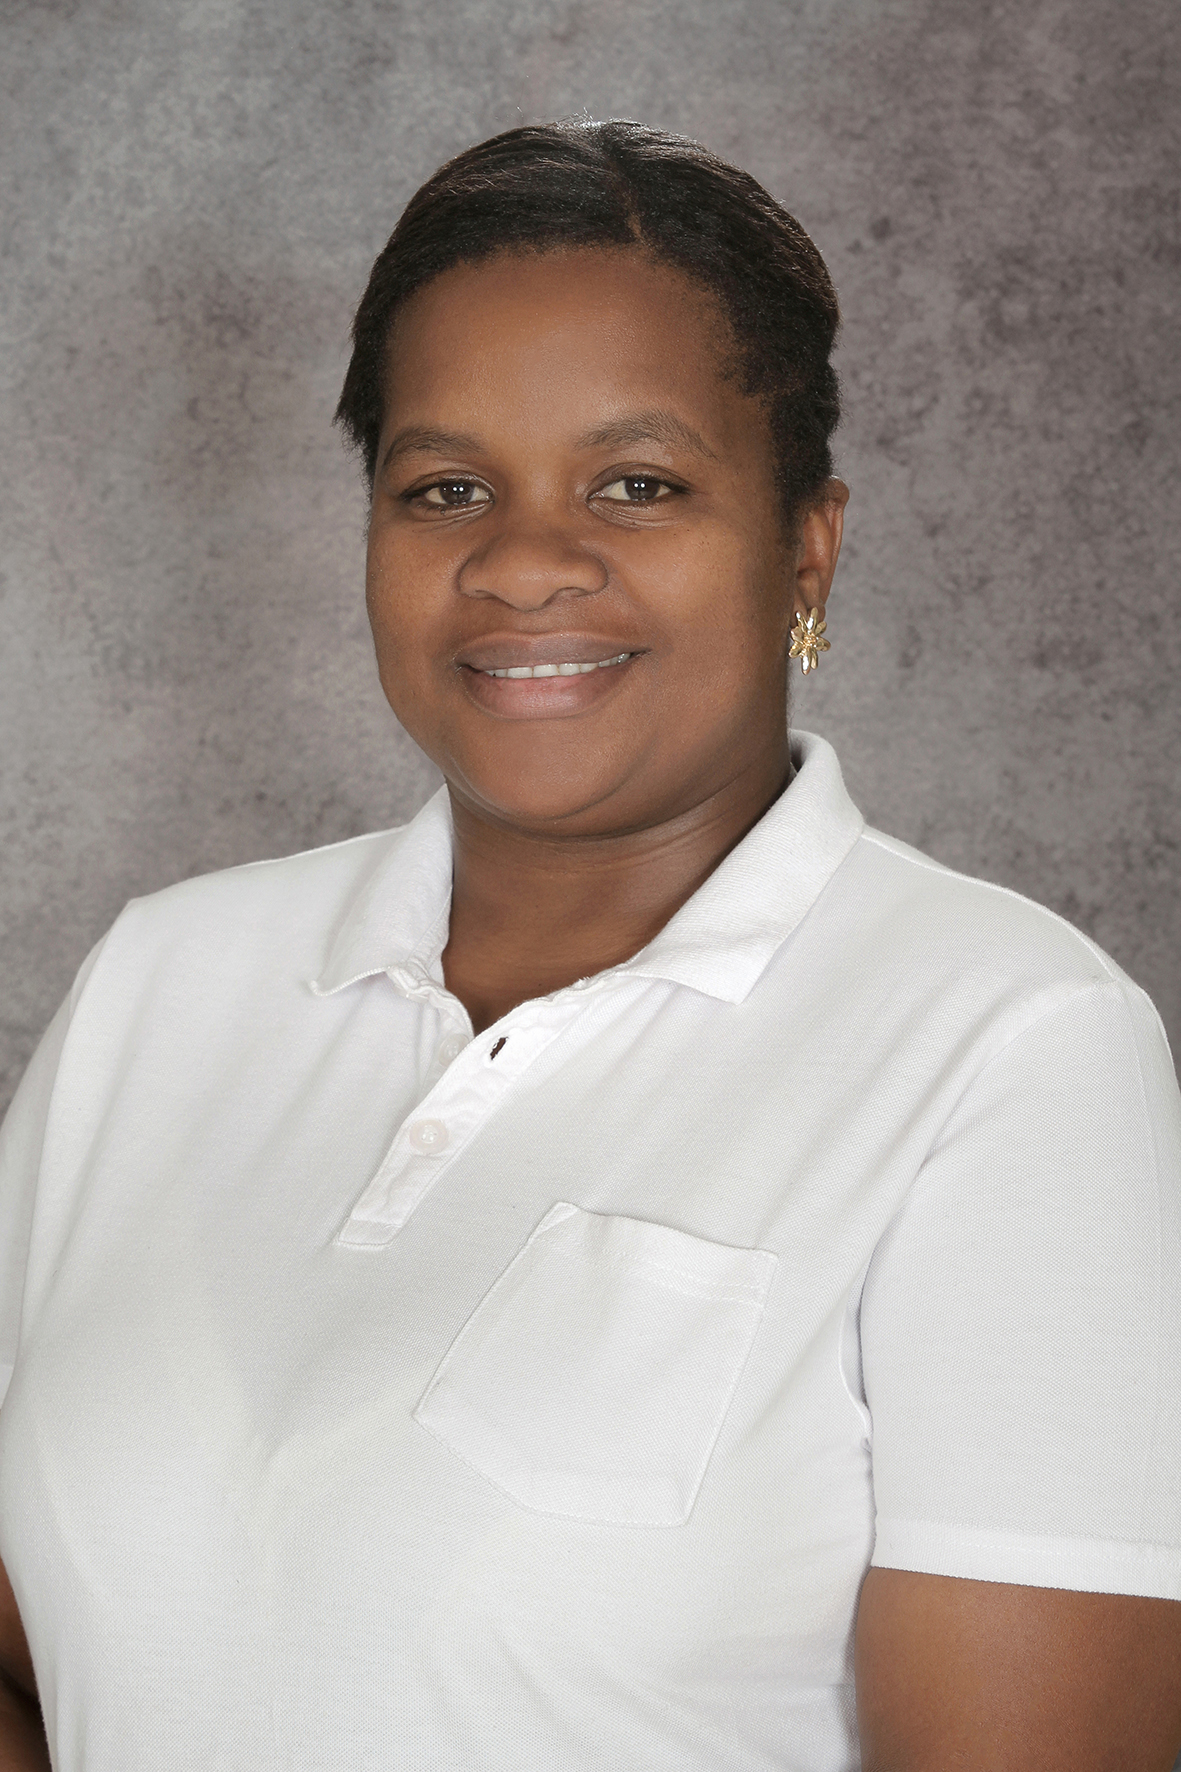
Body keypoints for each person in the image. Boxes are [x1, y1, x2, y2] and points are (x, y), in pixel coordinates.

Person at [0, 118, 1178, 1772]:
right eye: (446, 489)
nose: (524, 561)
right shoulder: (165, 984)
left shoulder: (1006, 1046)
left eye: (638, 484)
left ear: (806, 549)